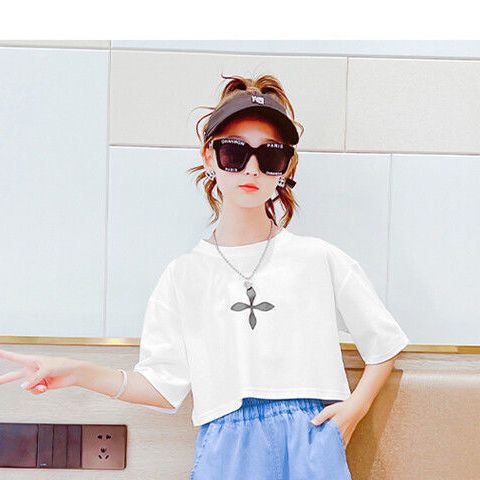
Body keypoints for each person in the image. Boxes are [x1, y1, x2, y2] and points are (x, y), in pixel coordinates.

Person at [0, 74, 410, 479]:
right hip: (225, 446)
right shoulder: (184, 275)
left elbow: (383, 341)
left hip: (311, 439)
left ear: (286, 167)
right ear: (209, 157)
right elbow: (162, 387)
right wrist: (77, 372)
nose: (252, 169)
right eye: (234, 152)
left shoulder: (317, 258)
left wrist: (354, 410)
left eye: (270, 156)